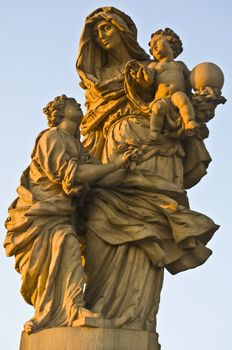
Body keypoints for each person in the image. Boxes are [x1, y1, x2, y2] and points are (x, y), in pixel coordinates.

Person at [76, 7, 219, 348]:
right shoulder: (99, 82)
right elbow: (90, 124)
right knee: (98, 228)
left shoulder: (153, 69)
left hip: (156, 157)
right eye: (96, 34)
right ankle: (93, 310)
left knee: (148, 238)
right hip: (111, 162)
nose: (102, 37)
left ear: (124, 31)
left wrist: (203, 103)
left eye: (107, 29)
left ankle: (134, 322)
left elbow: (183, 106)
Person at [4, 94, 131, 334]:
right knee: (67, 245)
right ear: (60, 113)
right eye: (73, 103)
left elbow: (101, 175)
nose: (79, 105)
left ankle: (68, 308)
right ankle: (62, 310)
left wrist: (126, 164)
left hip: (59, 216)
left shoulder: (77, 147)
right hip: (39, 216)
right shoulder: (51, 137)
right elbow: (71, 175)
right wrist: (114, 165)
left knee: (65, 249)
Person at [128, 28, 198, 141]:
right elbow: (148, 79)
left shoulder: (180, 65)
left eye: (156, 42)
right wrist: (141, 73)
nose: (153, 47)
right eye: (151, 48)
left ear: (171, 42)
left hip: (176, 95)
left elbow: (192, 79)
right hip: (161, 98)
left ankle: (189, 121)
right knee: (158, 109)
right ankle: (154, 133)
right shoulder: (154, 66)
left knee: (182, 98)